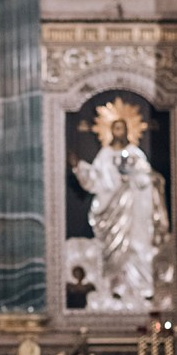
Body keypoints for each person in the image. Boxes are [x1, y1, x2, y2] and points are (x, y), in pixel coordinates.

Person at [70, 113, 166, 306]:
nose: (118, 132)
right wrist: (78, 166)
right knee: (113, 253)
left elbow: (146, 179)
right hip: (111, 213)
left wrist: (133, 177)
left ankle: (142, 288)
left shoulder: (135, 153)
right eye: (115, 128)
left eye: (122, 128)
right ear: (111, 131)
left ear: (128, 131)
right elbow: (95, 181)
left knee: (137, 249)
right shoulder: (105, 155)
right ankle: (114, 289)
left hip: (135, 213)